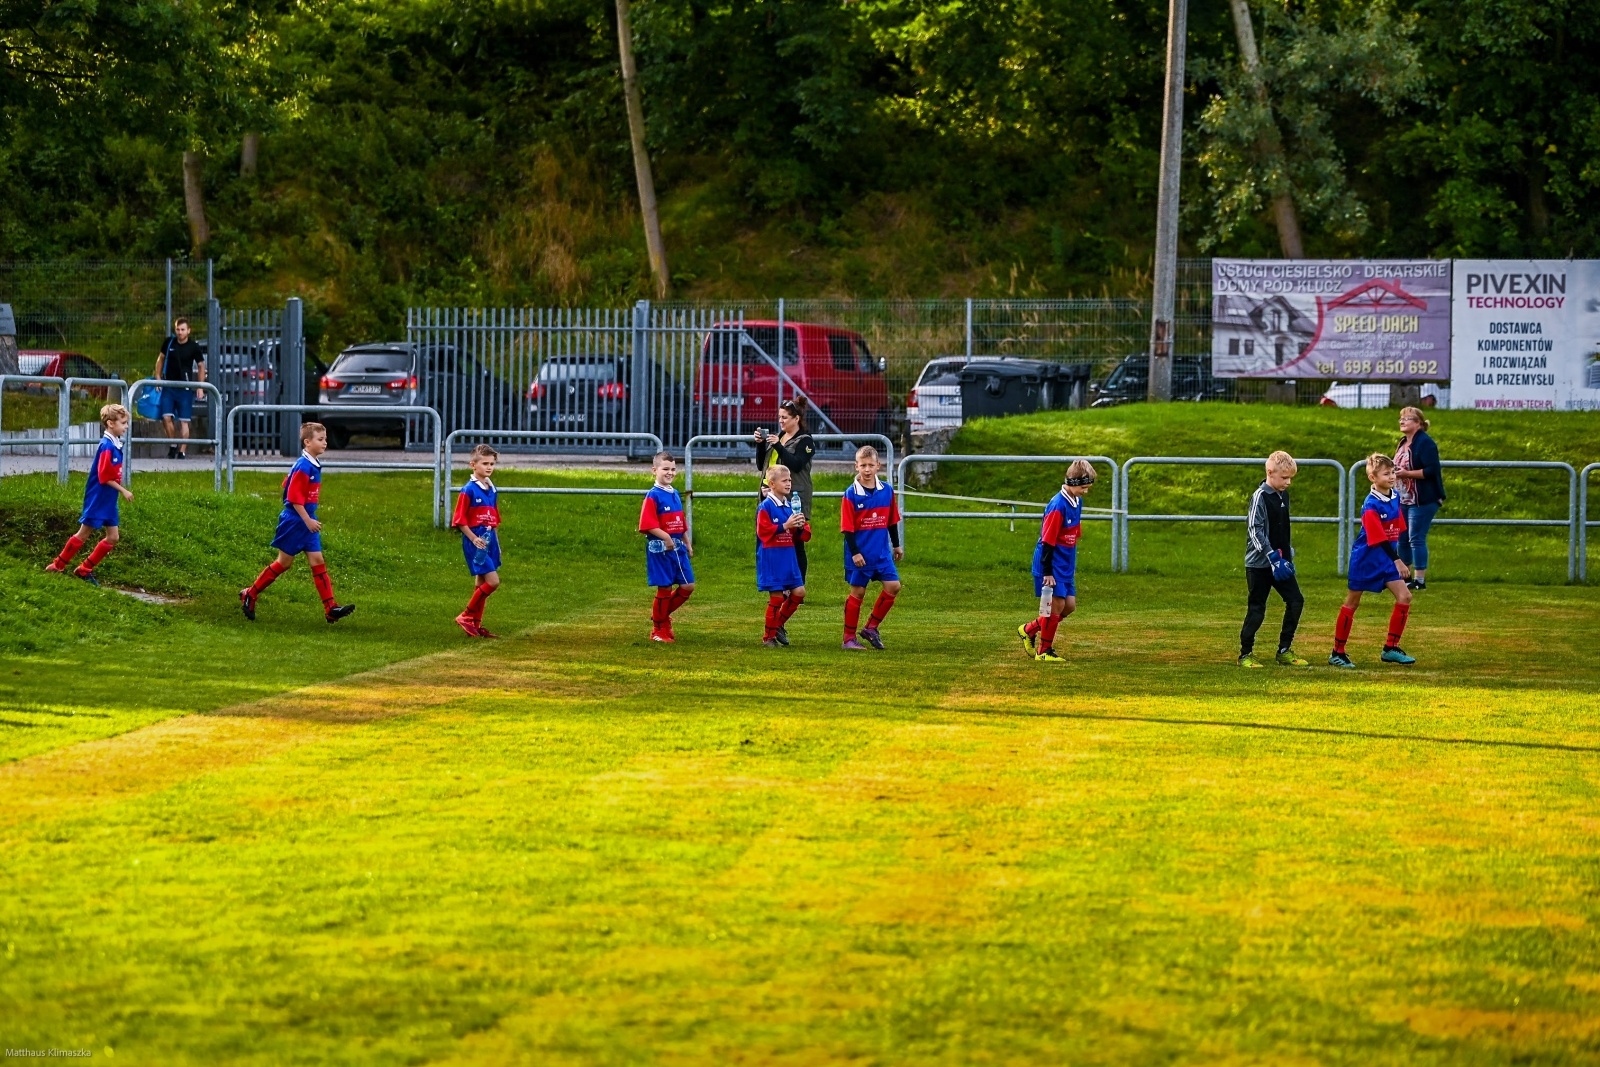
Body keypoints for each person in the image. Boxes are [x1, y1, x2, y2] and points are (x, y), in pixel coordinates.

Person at [239, 422, 356, 624]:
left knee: (317, 560)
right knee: (284, 563)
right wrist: (307, 520)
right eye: (320, 439)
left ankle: (331, 608)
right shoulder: (303, 466)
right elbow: (293, 498)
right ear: (307, 442)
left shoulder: (311, 463)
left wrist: (309, 519)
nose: (325, 443)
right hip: (296, 521)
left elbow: (287, 483)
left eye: (325, 439)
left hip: (307, 520)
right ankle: (250, 593)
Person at [1330, 453, 1414, 668]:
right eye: (1386, 474)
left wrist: (1398, 557)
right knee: (1353, 602)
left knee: (1405, 596)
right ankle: (1337, 652)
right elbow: (1379, 538)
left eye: (1393, 472)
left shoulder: (1395, 496)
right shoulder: (1370, 505)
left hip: (1387, 559)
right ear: (1372, 478)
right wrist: (1397, 560)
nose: (1392, 476)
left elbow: (1396, 531)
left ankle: (1390, 648)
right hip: (1366, 560)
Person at [45, 403, 133, 585]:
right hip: (98, 498)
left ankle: (84, 569)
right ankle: (57, 565)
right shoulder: (106, 446)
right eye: (123, 423)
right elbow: (104, 477)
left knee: (113, 537)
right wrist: (123, 490)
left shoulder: (115, 444)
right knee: (83, 533)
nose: (126, 426)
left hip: (109, 500)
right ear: (110, 423)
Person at [1019, 460, 1096, 663]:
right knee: (1055, 606)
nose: (1085, 492)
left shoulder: (1077, 502)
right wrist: (1047, 572)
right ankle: (1044, 651)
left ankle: (1029, 629)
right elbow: (1047, 541)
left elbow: (1072, 536)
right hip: (1050, 564)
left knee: (1069, 606)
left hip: (1065, 565)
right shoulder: (1057, 506)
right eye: (1083, 487)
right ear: (1072, 482)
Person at [1238, 451, 1308, 667]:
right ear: (1270, 472)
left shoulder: (1283, 495)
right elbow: (1254, 529)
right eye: (1284, 477)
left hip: (1281, 564)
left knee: (1296, 601)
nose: (1288, 482)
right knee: (1257, 608)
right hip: (1259, 565)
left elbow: (1281, 528)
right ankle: (1245, 654)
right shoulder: (1260, 496)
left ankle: (1284, 650)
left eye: (1290, 478)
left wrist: (1287, 553)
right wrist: (1271, 555)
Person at [840, 445, 903, 650]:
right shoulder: (851, 494)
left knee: (893, 586)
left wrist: (896, 545)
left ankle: (871, 627)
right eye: (863, 465)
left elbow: (891, 521)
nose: (867, 469)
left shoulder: (887, 491)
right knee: (858, 593)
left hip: (881, 553)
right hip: (860, 554)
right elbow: (847, 528)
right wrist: (855, 552)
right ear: (856, 466)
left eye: (870, 465)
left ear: (878, 466)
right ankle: (848, 639)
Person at [754, 400, 815, 579]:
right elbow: (762, 466)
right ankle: (776, 583)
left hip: (794, 499)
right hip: (770, 497)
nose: (781, 421)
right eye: (779, 417)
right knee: (772, 540)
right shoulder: (779, 437)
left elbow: (796, 465)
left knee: (795, 543)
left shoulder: (806, 440)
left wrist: (778, 446)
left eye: (785, 417)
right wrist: (760, 444)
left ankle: (798, 586)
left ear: (796, 419)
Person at [639, 450, 695, 643]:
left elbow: (680, 521)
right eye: (665, 469)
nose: (670, 472)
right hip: (661, 549)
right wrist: (666, 538)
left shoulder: (675, 493)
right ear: (654, 470)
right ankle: (658, 630)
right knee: (664, 587)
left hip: (678, 549)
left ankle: (660, 616)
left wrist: (687, 542)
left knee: (688, 586)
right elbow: (647, 525)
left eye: (673, 469)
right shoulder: (653, 495)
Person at [451, 445, 503, 638]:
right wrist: (474, 539)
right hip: (476, 541)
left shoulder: (492, 489)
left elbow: (494, 519)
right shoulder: (468, 490)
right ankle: (466, 615)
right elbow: (459, 520)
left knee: (482, 581)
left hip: (490, 540)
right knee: (493, 582)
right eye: (485, 463)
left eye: (492, 464)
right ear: (473, 465)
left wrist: (497, 544)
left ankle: (475, 624)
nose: (489, 467)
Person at [756, 463, 808, 647]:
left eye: (790, 480)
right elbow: (763, 532)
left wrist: (800, 527)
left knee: (799, 592)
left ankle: (776, 624)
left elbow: (802, 535)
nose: (788, 483)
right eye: (784, 480)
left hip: (788, 557)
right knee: (777, 597)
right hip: (772, 558)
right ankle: (768, 637)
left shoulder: (791, 506)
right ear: (772, 484)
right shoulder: (766, 507)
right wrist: (786, 525)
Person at [1394, 405, 1445, 590]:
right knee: (1402, 538)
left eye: (1406, 418)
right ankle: (1404, 577)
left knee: (1415, 537)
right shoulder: (1403, 442)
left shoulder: (1425, 443)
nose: (1402, 421)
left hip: (1422, 499)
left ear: (1419, 423)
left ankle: (1419, 580)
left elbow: (1432, 470)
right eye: (1401, 418)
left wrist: (1406, 473)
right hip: (1403, 499)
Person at [154, 317, 206, 460]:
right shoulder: (169, 342)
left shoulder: (193, 346)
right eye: (178, 329)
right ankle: (173, 445)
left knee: (184, 421)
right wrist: (158, 377)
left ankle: (182, 451)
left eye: (183, 330)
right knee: (166, 417)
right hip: (168, 386)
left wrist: (200, 386)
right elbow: (160, 359)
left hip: (185, 388)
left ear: (188, 331)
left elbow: (201, 366)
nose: (180, 332)